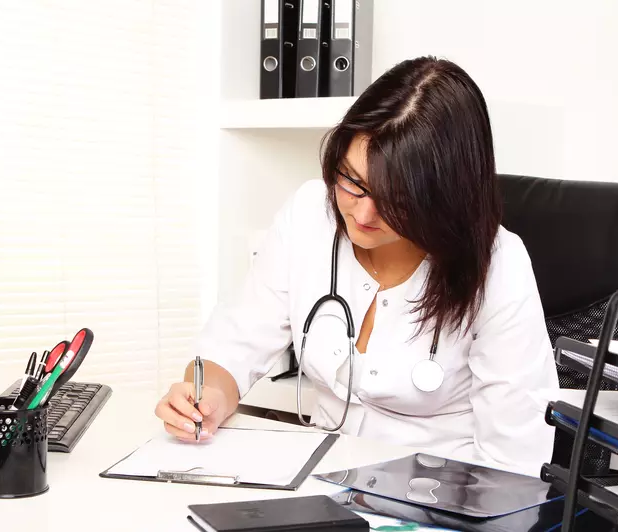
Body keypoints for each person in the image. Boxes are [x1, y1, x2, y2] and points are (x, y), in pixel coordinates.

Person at [154, 56, 559, 476]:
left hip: (440, 498)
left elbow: (515, 463)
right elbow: (233, 347)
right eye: (352, 181)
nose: (364, 212)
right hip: (318, 483)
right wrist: (206, 398)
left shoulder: (498, 265)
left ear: (445, 197)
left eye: (397, 199)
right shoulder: (310, 214)